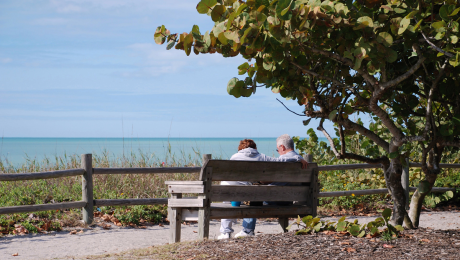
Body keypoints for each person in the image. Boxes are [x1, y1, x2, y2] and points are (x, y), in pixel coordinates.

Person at [218, 138, 308, 239]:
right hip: (250, 194)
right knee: (254, 195)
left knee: (229, 199)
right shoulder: (262, 157)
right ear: (255, 148)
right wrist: (297, 158)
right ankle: (248, 230)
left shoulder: (235, 157)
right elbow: (282, 160)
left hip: (230, 193)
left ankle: (226, 232)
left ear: (240, 148)